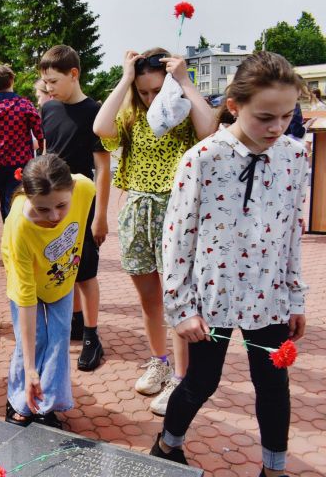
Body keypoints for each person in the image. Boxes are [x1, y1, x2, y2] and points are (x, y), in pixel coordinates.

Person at [150, 51, 309, 477]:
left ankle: (273, 469)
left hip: (269, 295)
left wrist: (295, 296)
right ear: (235, 106)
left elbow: (293, 231)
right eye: (265, 117)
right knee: (202, 381)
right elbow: (176, 239)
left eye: (287, 115)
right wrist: (181, 308)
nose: (277, 128)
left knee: (274, 385)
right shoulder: (202, 158)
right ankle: (167, 445)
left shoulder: (295, 157)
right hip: (211, 295)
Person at [93, 48, 215, 414]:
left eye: (155, 90)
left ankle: (180, 378)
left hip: (175, 211)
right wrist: (125, 78)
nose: (149, 99)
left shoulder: (180, 113)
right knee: (149, 298)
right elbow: (100, 127)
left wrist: (184, 81)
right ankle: (159, 361)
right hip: (137, 211)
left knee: (176, 299)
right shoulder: (130, 116)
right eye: (143, 92)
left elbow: (209, 127)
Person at [3, 154, 96, 429]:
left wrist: (99, 217)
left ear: (71, 191)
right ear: (29, 197)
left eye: (61, 205)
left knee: (58, 339)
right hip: (27, 280)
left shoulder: (83, 187)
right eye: (44, 210)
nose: (54, 216)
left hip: (61, 280)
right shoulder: (19, 227)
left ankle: (46, 403)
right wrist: (31, 369)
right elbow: (27, 301)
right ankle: (19, 399)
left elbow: (97, 182)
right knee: (33, 340)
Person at [38, 44, 110, 371]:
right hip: (53, 204)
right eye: (45, 82)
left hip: (83, 204)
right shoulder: (48, 110)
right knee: (63, 265)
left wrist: (101, 217)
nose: (48, 88)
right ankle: (77, 322)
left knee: (86, 272)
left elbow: (103, 168)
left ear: (73, 74)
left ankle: (93, 337)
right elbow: (45, 152)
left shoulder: (95, 112)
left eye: (53, 81)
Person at [0, 64, 44, 220]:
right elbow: (40, 133)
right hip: (21, 162)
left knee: (4, 201)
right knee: (18, 200)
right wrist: (43, 153)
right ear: (11, 79)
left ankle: (8, 233)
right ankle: (15, 237)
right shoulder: (24, 105)